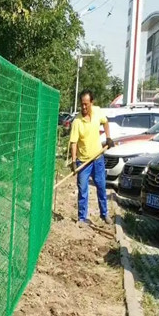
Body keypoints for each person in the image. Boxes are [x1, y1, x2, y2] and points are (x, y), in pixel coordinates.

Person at [69, 89, 114, 225]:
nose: (83, 107)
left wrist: (108, 137)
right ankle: (82, 218)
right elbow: (74, 142)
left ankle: (104, 214)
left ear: (91, 103)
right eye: (82, 104)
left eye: (86, 104)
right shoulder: (77, 121)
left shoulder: (97, 112)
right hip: (83, 162)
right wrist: (73, 161)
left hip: (98, 159)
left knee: (101, 186)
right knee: (83, 189)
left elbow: (105, 122)